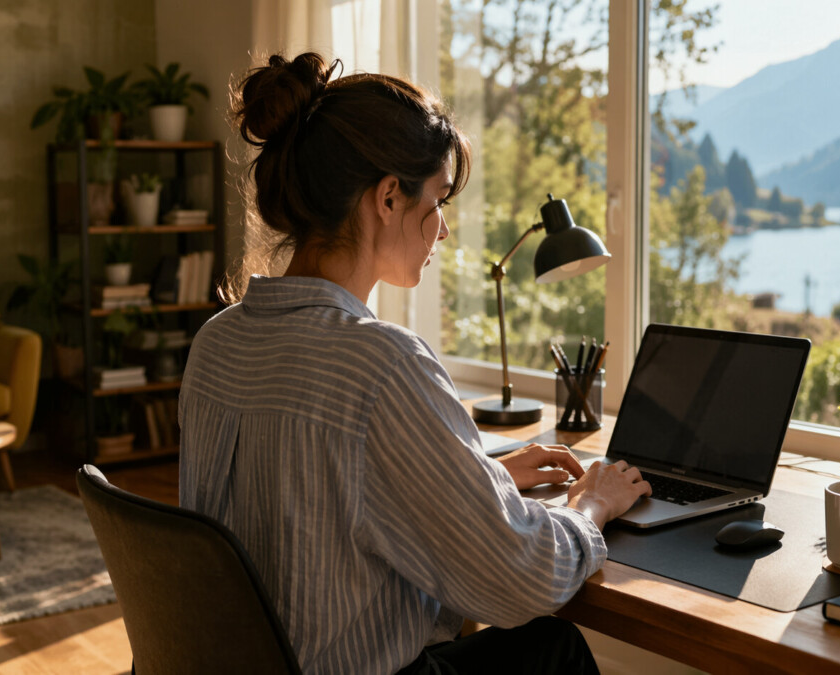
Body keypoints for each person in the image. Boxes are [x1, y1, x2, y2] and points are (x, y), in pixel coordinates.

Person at [178, 52, 651, 675]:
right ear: (389, 198)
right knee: (551, 646)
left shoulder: (217, 343)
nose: (444, 231)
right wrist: (592, 502)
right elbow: (525, 579)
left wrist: (486, 479)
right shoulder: (382, 363)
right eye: (438, 200)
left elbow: (314, 496)